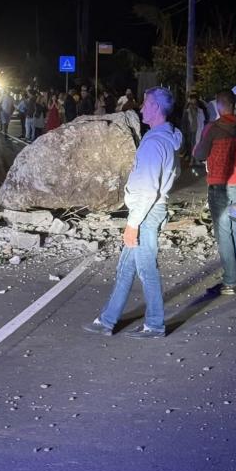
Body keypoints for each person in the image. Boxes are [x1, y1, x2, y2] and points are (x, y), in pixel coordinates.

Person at [83, 87, 183, 339]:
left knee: (146, 269)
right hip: (148, 211)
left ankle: (155, 324)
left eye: (146, 104)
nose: (141, 108)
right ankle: (107, 321)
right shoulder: (168, 139)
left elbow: (148, 190)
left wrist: (133, 224)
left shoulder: (154, 144)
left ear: (157, 108)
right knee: (126, 268)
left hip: (145, 213)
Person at [193, 88, 236, 296]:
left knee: (224, 234)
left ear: (218, 106)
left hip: (220, 186)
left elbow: (200, 154)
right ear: (235, 105)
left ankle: (230, 282)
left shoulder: (212, 129)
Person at [181, 89, 206, 168]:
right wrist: (184, 131)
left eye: (194, 98)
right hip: (191, 130)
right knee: (192, 145)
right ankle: (192, 160)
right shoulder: (187, 109)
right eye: (192, 98)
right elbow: (184, 121)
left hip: (198, 129)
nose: (193, 100)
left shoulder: (200, 107)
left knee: (197, 145)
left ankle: (195, 160)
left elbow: (204, 116)